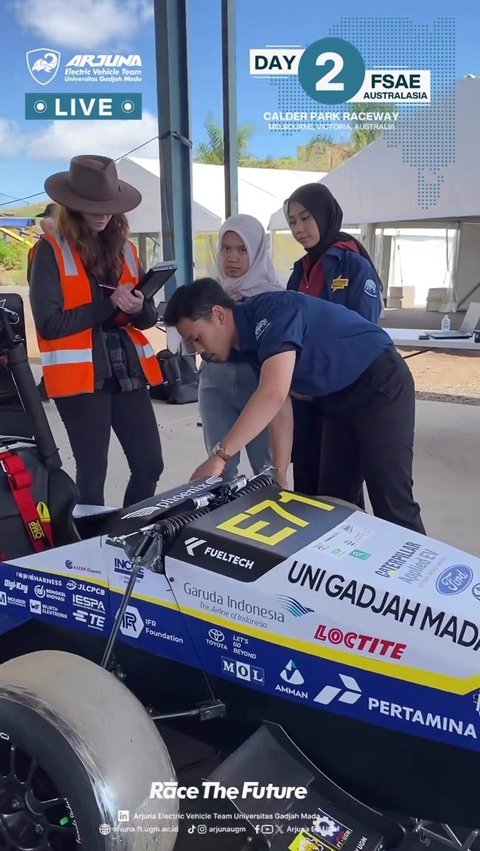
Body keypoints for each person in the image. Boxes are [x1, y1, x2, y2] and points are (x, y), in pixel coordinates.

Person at [163, 279, 425, 535]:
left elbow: (272, 395)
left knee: (391, 498)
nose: (199, 350)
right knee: (334, 502)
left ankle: (422, 576)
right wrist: (280, 474)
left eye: (198, 338)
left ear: (218, 314)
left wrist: (219, 456)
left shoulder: (272, 314)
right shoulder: (243, 344)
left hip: (379, 383)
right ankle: (356, 572)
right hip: (335, 397)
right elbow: (281, 403)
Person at [29, 154, 164, 507]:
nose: (104, 214)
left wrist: (139, 308)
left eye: (110, 206)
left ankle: (130, 534)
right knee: (92, 474)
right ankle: (89, 551)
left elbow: (147, 318)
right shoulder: (49, 251)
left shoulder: (127, 250)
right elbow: (50, 323)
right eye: (93, 206)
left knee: (150, 464)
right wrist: (110, 305)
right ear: (72, 206)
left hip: (127, 371)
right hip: (80, 380)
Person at [284, 182, 384, 499]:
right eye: (292, 222)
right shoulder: (299, 271)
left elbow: (365, 336)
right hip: (305, 398)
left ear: (325, 215)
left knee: (340, 494)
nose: (299, 228)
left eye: (305, 217)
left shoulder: (353, 264)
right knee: (307, 486)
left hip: (344, 398)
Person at [198, 214, 283, 478]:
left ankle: (271, 519)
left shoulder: (275, 298)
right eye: (226, 248)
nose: (232, 258)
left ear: (257, 252)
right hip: (215, 387)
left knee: (267, 469)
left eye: (242, 249)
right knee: (219, 470)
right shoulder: (210, 295)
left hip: (258, 388)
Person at [27, 202, 59, 402]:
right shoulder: (40, 247)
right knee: (51, 349)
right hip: (45, 305)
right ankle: (47, 385)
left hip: (53, 306)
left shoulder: (50, 247)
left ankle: (47, 386)